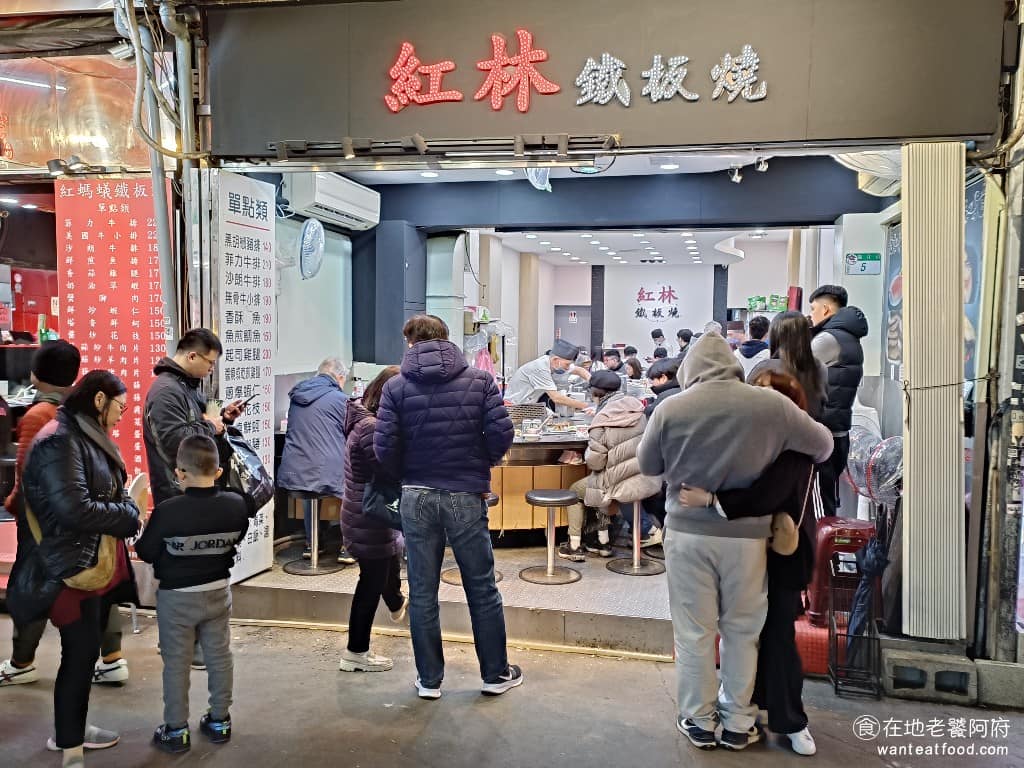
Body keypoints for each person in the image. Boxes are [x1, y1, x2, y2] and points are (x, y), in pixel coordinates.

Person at [636, 333, 832, 752]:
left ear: (689, 369)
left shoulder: (671, 407)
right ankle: (739, 723)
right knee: (744, 631)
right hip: (748, 539)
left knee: (694, 633)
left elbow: (648, 466)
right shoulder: (771, 406)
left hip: (687, 535)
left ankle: (700, 721)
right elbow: (824, 446)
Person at [375, 315, 519, 700]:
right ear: (446, 339)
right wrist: (479, 465)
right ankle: (494, 674)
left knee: (422, 591)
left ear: (409, 344)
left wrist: (407, 472)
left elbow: (384, 447)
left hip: (416, 493)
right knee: (481, 587)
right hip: (465, 493)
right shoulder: (480, 381)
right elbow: (503, 432)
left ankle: (429, 680)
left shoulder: (395, 387)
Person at [678, 368, 820, 756]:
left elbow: (768, 496)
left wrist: (710, 501)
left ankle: (791, 721)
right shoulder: (744, 439)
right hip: (743, 549)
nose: (763, 403)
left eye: (774, 396)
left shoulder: (797, 445)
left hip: (781, 555)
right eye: (756, 393)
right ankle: (743, 711)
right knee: (742, 635)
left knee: (775, 636)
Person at [9, 370, 142, 767]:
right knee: (80, 653)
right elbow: (73, 509)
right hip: (68, 569)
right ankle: (69, 745)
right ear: (99, 400)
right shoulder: (60, 440)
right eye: (120, 406)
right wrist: (127, 514)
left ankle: (75, 733)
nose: (122, 415)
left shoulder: (79, 433)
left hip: (88, 562)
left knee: (82, 654)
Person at [0, 342, 133, 689]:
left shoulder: (38, 417)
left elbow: (28, 476)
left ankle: (21, 663)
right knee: (95, 587)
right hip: (90, 521)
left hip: (49, 524)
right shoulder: (84, 411)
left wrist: (13, 504)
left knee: (32, 589)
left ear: (34, 374)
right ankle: (113, 659)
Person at [135, 435, 249, 754]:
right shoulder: (235, 504)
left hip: (177, 597)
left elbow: (145, 551)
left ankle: (175, 729)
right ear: (218, 470)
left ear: (179, 473)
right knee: (219, 656)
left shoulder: (169, 512)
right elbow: (238, 536)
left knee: (176, 663)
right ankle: (219, 720)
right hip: (217, 592)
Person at [338, 366, 407, 673]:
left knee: (386, 565)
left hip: (367, 513)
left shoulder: (365, 418)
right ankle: (356, 652)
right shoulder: (371, 428)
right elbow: (387, 468)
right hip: (369, 516)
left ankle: (396, 604)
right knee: (370, 582)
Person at [558, 371, 661, 561]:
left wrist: (586, 455)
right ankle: (601, 542)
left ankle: (574, 545)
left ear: (596, 392)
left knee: (579, 490)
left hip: (617, 481)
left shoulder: (602, 418)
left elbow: (595, 462)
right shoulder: (638, 410)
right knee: (596, 485)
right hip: (645, 475)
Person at [144, 328, 247, 507]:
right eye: (210, 362)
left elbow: (198, 421)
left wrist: (223, 417)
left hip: (197, 488)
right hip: (178, 494)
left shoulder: (187, 386)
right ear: (192, 356)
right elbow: (174, 440)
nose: (211, 369)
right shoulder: (166, 392)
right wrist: (211, 427)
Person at [277, 357, 354, 563]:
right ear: (339, 377)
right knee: (352, 491)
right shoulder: (341, 400)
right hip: (326, 470)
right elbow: (353, 432)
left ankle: (313, 544)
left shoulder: (297, 395)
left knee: (310, 489)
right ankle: (348, 547)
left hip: (293, 469)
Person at [808, 285, 869, 517]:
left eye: (813, 309)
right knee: (827, 503)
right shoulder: (850, 338)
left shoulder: (828, 339)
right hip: (839, 431)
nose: (811, 314)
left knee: (818, 508)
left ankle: (819, 553)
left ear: (825, 309)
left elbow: (795, 371)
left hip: (823, 433)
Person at [749, 311, 828, 421]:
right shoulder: (820, 368)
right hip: (810, 433)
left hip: (773, 435)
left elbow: (748, 408)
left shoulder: (764, 368)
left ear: (774, 336)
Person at [503, 338, 591, 411]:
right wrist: (586, 406)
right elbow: (557, 398)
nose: (568, 368)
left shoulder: (555, 363)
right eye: (567, 364)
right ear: (555, 359)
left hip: (528, 407)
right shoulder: (540, 368)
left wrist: (593, 382)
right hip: (513, 408)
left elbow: (580, 370)